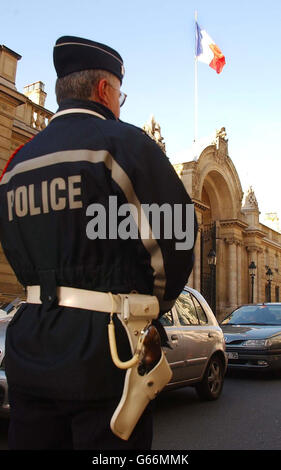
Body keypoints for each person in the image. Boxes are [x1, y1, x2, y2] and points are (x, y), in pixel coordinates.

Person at [0, 35, 197, 450]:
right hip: (106, 352)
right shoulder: (123, 144)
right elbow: (176, 239)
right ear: (105, 90)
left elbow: (14, 246)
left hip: (29, 342)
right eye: (120, 95)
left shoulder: (16, 164)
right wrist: (145, 308)